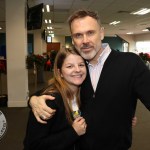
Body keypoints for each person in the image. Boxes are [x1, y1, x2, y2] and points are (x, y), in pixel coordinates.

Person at [29, 10, 150, 150]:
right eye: (78, 35)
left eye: (90, 32)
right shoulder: (79, 70)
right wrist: (32, 99)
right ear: (73, 39)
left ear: (102, 33)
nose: (85, 40)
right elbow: (56, 89)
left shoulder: (130, 63)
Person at [24, 48, 87, 150]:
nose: (77, 70)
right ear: (60, 72)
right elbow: (34, 145)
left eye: (81, 65)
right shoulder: (48, 102)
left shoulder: (84, 91)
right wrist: (73, 132)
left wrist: (31, 99)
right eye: (70, 66)